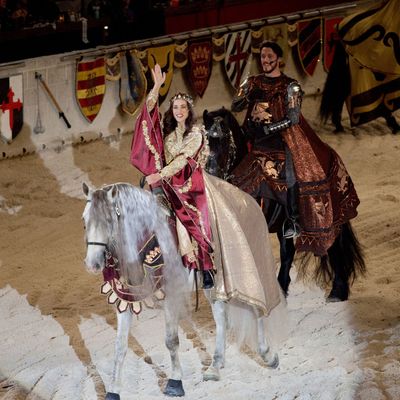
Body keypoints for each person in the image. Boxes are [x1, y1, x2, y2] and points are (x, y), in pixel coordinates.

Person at [130, 63, 281, 318]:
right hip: (171, 184)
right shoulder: (169, 135)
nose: (179, 111)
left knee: (188, 216)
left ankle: (205, 266)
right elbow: (148, 116)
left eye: (183, 107)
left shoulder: (197, 133)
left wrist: (160, 174)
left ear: (189, 111)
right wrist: (155, 88)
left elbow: (183, 160)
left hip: (193, 185)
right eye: (175, 107)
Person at [230, 40, 360, 261]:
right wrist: (245, 93)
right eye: (263, 56)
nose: (265, 60)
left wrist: (270, 128)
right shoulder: (253, 81)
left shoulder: (291, 86)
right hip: (256, 139)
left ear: (279, 59)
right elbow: (236, 106)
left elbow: (292, 118)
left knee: (293, 172)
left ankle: (293, 219)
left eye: (270, 56)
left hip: (281, 141)